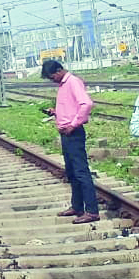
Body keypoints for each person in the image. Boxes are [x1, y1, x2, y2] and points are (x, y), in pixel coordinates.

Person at [41, 59, 99, 223]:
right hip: (66, 134)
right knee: (72, 172)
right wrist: (56, 112)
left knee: (81, 172)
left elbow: (86, 104)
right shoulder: (63, 85)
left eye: (52, 76)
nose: (52, 80)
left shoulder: (73, 82)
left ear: (59, 70)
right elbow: (71, 107)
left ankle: (92, 211)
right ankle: (77, 206)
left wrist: (73, 125)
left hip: (73, 134)